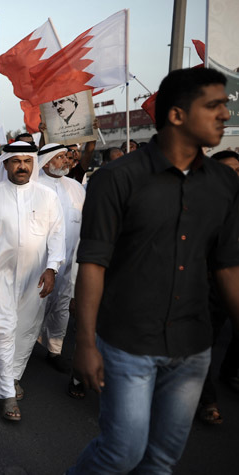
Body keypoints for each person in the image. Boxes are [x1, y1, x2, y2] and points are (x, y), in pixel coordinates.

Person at [67, 67, 239, 474]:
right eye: (214, 105)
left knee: (161, 460)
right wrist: (86, 343)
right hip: (128, 344)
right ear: (177, 115)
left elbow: (228, 266)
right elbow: (93, 262)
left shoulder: (224, 184)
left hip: (193, 347)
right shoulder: (116, 179)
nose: (225, 115)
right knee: (120, 453)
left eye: (225, 105)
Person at [0, 141, 65, 422]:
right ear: (5, 163)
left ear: (33, 164)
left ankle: (11, 375)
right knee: (3, 329)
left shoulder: (46, 196)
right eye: (16, 161)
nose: (22, 166)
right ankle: (7, 393)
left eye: (27, 161)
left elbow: (57, 235)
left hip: (35, 277)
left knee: (26, 330)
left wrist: (52, 269)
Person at [196, 149, 239, 425]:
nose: (233, 176)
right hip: (204, 287)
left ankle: (228, 373)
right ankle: (207, 399)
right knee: (204, 345)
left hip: (233, 285)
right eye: (226, 170)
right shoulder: (199, 205)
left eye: (237, 170)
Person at [35, 144, 86, 374]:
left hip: (69, 262)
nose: (66, 161)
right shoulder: (33, 186)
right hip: (39, 263)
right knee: (34, 307)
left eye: (67, 157)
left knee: (62, 307)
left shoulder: (76, 187)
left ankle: (55, 350)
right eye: (59, 157)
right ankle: (24, 350)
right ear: (45, 161)